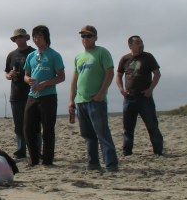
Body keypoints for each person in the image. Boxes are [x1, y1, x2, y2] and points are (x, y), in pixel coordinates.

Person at [69, 25, 119, 172]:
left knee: (102, 133)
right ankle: (93, 164)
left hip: (96, 101)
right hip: (81, 101)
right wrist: (71, 100)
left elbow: (110, 72)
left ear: (95, 37)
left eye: (88, 36)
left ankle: (111, 164)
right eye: (83, 36)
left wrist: (101, 93)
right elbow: (75, 79)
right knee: (88, 135)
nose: (85, 39)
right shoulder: (78, 57)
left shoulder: (102, 52)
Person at [23, 25, 66, 167]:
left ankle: (47, 160)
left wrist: (45, 83)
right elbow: (26, 75)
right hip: (32, 96)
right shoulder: (31, 56)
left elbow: (61, 77)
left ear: (46, 37)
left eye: (39, 36)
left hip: (48, 96)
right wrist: (28, 79)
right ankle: (33, 159)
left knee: (47, 130)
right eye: (35, 37)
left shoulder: (54, 55)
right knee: (28, 129)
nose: (37, 39)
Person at [116, 36, 164, 156]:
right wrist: (121, 89)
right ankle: (127, 152)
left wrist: (150, 89)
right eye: (137, 43)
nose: (141, 44)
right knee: (128, 127)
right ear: (130, 45)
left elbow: (157, 74)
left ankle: (158, 151)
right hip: (129, 97)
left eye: (141, 42)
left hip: (144, 97)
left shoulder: (148, 57)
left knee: (152, 125)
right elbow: (118, 75)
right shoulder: (125, 59)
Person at [4, 28, 35, 159]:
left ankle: (35, 150)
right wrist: (10, 75)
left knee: (33, 123)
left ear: (26, 38)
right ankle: (21, 150)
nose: (19, 39)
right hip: (16, 95)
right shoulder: (11, 55)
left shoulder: (34, 52)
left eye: (21, 37)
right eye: (17, 37)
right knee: (19, 125)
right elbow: (6, 73)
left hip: (32, 93)